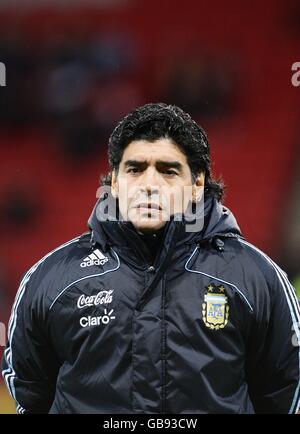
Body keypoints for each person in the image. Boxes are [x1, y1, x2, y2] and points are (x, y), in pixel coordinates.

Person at [2, 103, 300, 414]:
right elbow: (29, 390)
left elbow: (285, 389)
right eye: (135, 169)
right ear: (115, 182)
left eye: (168, 170)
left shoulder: (255, 277)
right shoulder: (53, 278)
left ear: (197, 183)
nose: (149, 184)